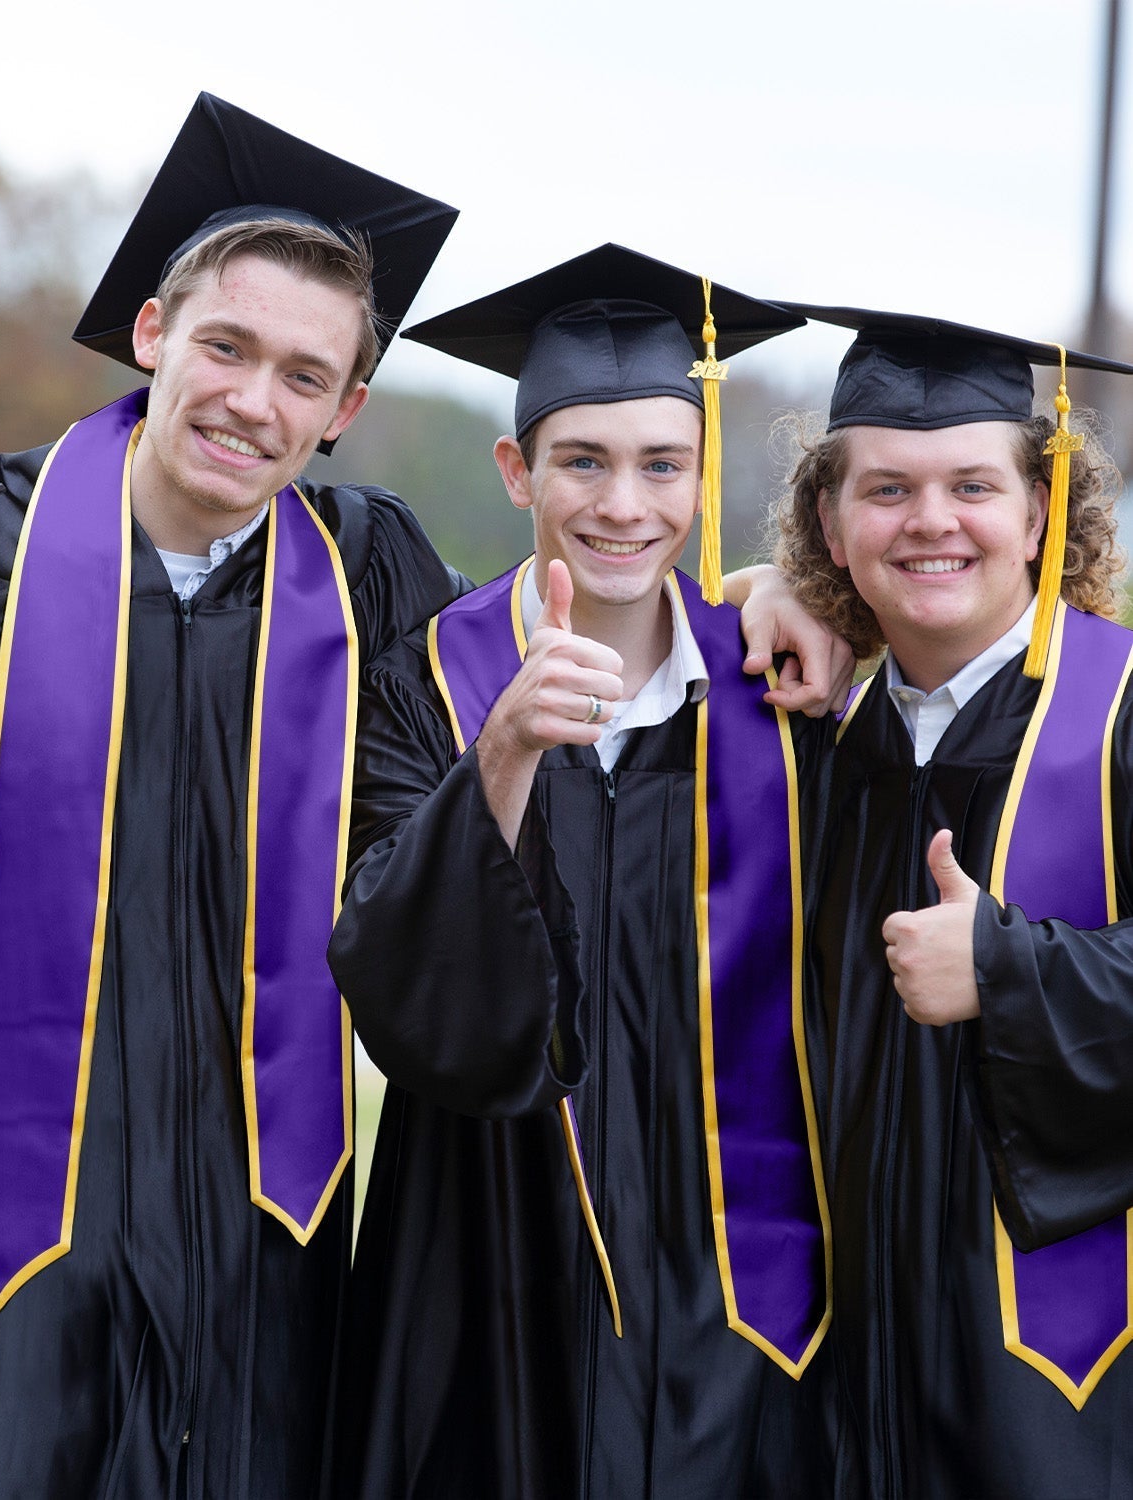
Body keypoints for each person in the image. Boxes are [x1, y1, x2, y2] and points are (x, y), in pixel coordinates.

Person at [0, 95, 461, 1499]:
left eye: (304, 377)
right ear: (153, 334)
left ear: (344, 413)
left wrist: (774, 611)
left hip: (265, 1214)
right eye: (226, 346)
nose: (254, 401)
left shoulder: (370, 572)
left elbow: (533, 715)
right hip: (3, 1211)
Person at [326, 245, 837, 1499]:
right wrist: (502, 746)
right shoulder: (425, 682)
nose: (626, 504)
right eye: (583, 462)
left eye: (663, 464)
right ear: (518, 473)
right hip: (487, 1270)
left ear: (703, 471)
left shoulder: (788, 691)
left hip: (740, 1296)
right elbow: (396, 988)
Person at [765, 306, 1133, 1498]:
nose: (931, 522)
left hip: (1076, 1397)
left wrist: (1011, 970)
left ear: (1040, 508)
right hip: (845, 1390)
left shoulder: (1122, 713)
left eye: (972, 485)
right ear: (829, 519)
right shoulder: (802, 744)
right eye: (887, 490)